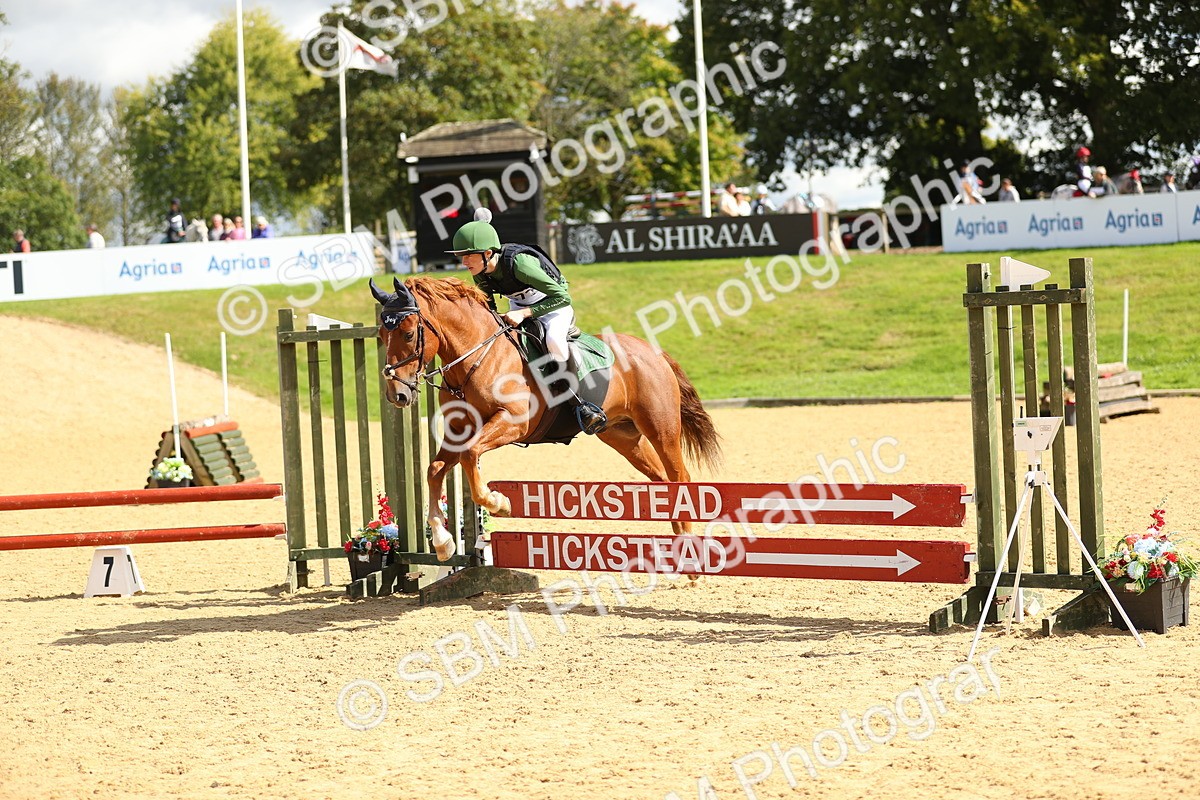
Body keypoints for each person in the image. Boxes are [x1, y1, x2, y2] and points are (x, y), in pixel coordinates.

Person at [447, 215, 607, 435]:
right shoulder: (481, 272)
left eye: (468, 256)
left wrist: (524, 313)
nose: (464, 262)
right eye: (461, 256)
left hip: (553, 305)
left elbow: (563, 297)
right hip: (519, 306)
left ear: (487, 253)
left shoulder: (519, 264)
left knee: (553, 341)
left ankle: (579, 403)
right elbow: (488, 306)